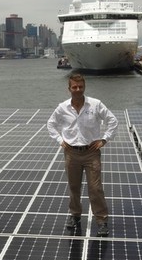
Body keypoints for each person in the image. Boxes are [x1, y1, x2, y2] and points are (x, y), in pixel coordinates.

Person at [47, 72, 117, 236]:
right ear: (69, 88)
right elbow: (51, 124)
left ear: (84, 87)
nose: (78, 90)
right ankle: (75, 215)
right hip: (71, 152)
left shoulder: (95, 104)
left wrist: (104, 139)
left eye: (80, 87)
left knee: (95, 188)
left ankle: (101, 220)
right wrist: (59, 140)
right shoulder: (62, 107)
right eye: (74, 87)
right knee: (74, 187)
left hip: (91, 153)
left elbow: (112, 121)